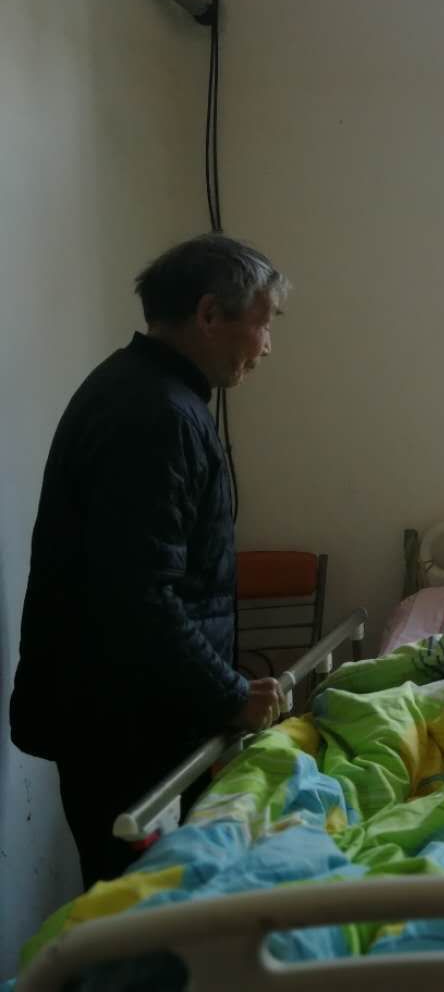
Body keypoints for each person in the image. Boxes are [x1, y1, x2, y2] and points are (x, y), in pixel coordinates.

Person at [9, 234, 291, 889]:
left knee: (144, 901)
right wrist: (229, 696)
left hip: (128, 710)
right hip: (124, 725)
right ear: (210, 314)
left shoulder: (142, 390)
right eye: (264, 323)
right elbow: (138, 596)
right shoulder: (156, 416)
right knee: (142, 905)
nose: (267, 346)